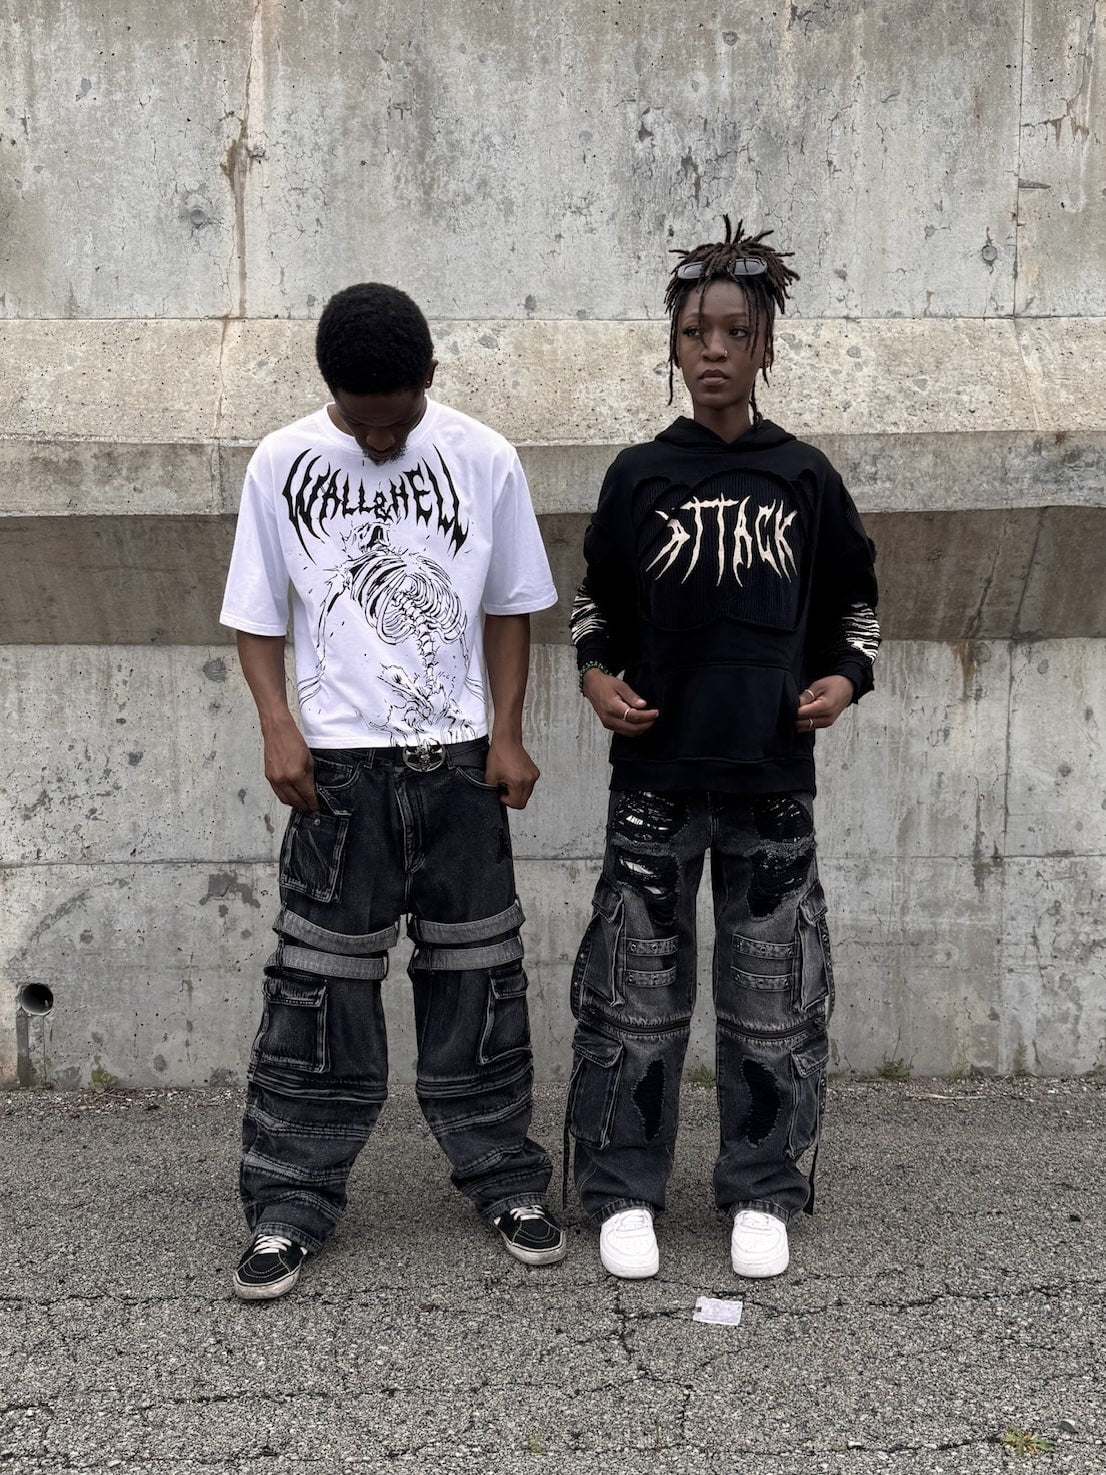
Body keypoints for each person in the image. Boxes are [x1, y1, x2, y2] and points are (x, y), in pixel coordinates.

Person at [220, 282, 566, 1300]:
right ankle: (289, 1201)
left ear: (429, 380)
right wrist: (278, 726)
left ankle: (504, 1178)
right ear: (328, 388)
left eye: (397, 419)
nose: (378, 439)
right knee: (319, 989)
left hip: (456, 762)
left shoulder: (484, 457)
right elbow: (255, 614)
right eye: (360, 421)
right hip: (338, 774)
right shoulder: (281, 461)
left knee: (480, 977)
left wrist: (507, 733)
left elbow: (509, 607)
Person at [567, 219, 880, 1280]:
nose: (713, 349)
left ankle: (760, 1186)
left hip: (769, 782)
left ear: (764, 348)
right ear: (672, 344)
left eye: (735, 332)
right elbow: (594, 605)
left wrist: (846, 676)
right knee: (634, 992)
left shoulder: (803, 476)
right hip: (655, 781)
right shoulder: (637, 475)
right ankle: (623, 1187)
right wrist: (594, 675)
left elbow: (855, 604)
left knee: (772, 997)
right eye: (695, 331)